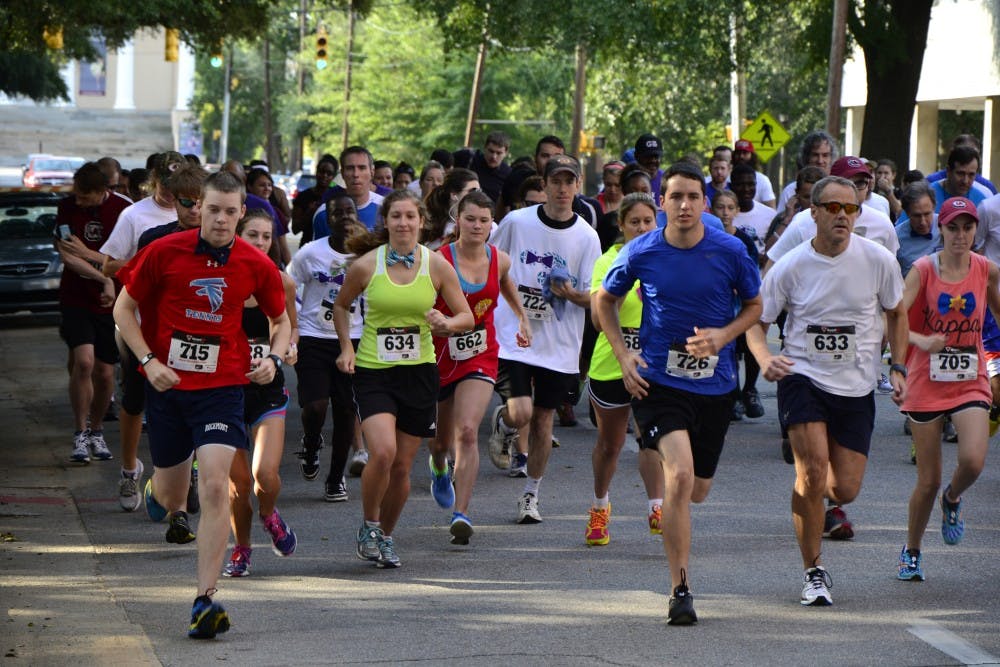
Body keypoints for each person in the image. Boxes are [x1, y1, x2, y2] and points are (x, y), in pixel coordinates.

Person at [113, 170, 291, 638]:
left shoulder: (255, 263)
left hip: (221, 389)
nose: (221, 219)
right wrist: (148, 361)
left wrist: (273, 357)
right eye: (213, 209)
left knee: (214, 486)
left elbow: (280, 319)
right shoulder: (163, 252)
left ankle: (204, 599)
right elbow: (123, 309)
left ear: (240, 213)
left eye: (231, 212)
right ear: (197, 208)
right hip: (168, 388)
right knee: (174, 496)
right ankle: (158, 490)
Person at [594, 161, 761, 625]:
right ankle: (680, 589)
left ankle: (674, 518)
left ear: (704, 203)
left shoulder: (729, 250)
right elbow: (603, 301)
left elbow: (755, 306)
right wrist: (624, 356)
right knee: (681, 476)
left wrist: (724, 336)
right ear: (662, 202)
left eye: (692, 196)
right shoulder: (642, 250)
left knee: (697, 490)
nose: (684, 205)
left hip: (716, 385)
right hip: (659, 383)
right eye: (675, 197)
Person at [745, 175, 907, 607]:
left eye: (850, 208)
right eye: (832, 208)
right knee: (813, 471)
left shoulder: (878, 260)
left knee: (846, 488)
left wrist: (900, 365)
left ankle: (810, 497)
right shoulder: (791, 266)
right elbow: (756, 326)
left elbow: (896, 312)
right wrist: (765, 360)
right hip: (803, 378)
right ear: (812, 213)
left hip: (855, 386)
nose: (842, 216)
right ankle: (814, 572)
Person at [333, 190, 474, 569]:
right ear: (386, 221)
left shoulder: (437, 265)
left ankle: (387, 537)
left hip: (419, 373)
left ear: (421, 221)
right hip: (374, 371)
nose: (403, 223)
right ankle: (369, 525)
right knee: (382, 452)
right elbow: (341, 305)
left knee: (401, 466)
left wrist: (447, 323)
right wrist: (346, 347)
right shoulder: (366, 266)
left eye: (410, 216)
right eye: (396, 216)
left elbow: (466, 317)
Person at [488, 155, 602, 522]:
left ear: (579, 185)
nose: (563, 188)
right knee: (520, 412)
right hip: (515, 334)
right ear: (546, 183)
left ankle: (530, 494)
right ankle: (505, 424)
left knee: (542, 420)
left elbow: (595, 296)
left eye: (570, 181)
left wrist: (569, 293)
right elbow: (491, 261)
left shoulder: (587, 236)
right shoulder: (517, 222)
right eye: (556, 181)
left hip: (560, 343)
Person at [897, 197, 1000, 581]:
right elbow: (895, 319)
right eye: (953, 227)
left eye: (967, 228)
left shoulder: (986, 270)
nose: (960, 235)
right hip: (926, 378)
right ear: (940, 229)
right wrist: (921, 343)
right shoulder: (923, 270)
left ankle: (953, 499)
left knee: (973, 460)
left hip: (970, 376)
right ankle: (911, 551)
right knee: (928, 480)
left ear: (976, 231)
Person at [427, 191, 532, 544]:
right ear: (458, 219)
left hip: (480, 353)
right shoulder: (438, 260)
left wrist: (522, 318)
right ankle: (440, 468)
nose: (477, 226)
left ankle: (462, 513)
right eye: (470, 219)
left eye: (484, 221)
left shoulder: (499, 259)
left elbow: (506, 284)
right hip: (439, 356)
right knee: (440, 442)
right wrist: (434, 321)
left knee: (468, 430)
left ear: (492, 224)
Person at [223, 209, 301, 578]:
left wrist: (286, 350)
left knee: (264, 475)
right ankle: (241, 548)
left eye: (266, 237)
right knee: (238, 486)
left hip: (267, 389)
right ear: (238, 235)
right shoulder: (220, 279)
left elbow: (290, 328)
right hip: (224, 392)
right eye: (252, 235)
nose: (259, 242)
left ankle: (269, 513)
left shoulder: (280, 281)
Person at [584, 192, 665, 546]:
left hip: (654, 364)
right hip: (611, 363)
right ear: (621, 226)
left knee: (652, 438)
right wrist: (626, 285)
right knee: (610, 445)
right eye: (635, 222)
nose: (642, 228)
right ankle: (600, 506)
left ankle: (657, 508)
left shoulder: (667, 259)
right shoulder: (608, 262)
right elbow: (597, 319)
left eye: (648, 221)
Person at [288, 194, 368, 502]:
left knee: (347, 409)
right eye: (338, 213)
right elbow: (288, 285)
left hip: (354, 338)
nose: (345, 217)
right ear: (328, 219)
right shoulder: (311, 253)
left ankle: (336, 479)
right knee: (316, 406)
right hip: (313, 337)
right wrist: (294, 325)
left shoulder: (368, 254)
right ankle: (311, 442)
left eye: (350, 211)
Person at [55, 162, 131, 464]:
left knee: (105, 371)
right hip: (76, 297)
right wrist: (104, 279)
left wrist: (112, 282)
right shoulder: (66, 207)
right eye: (76, 195)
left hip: (111, 304)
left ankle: (97, 429)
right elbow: (67, 254)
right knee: (83, 362)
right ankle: (80, 432)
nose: (79, 201)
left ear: (102, 192)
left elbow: (128, 258)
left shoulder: (123, 210)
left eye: (85, 197)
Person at [712, 190, 763, 420]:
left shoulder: (743, 239)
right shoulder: (707, 236)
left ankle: (750, 389)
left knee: (750, 346)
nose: (725, 213)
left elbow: (752, 269)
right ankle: (733, 397)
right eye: (720, 207)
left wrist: (739, 284)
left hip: (742, 303)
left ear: (737, 211)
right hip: (720, 306)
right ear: (712, 210)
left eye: (729, 208)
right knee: (728, 350)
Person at [314, 146, 384, 234]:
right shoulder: (323, 213)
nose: (355, 174)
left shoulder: (387, 208)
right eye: (350, 168)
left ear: (372, 172)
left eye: (362, 168)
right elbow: (318, 247)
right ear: (342, 173)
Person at [776, 131, 839, 212]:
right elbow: (780, 221)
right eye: (815, 155)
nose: (820, 161)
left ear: (832, 158)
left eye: (825, 155)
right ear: (806, 157)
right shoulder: (790, 191)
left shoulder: (838, 188)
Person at [421, 168, 482, 250]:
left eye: (479, 191)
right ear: (453, 195)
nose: (477, 196)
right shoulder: (432, 225)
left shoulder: (489, 225)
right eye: (473, 191)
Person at [894, 181, 939, 278]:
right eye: (917, 216)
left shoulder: (947, 227)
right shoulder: (896, 237)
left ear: (934, 207)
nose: (923, 222)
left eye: (927, 214)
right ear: (907, 212)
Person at [292, 155, 337, 244]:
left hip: (331, 247)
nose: (325, 175)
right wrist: (309, 213)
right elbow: (295, 229)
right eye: (322, 171)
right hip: (308, 246)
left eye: (329, 173)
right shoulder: (303, 196)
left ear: (333, 176)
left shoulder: (337, 198)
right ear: (316, 172)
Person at [732, 139, 776, 208]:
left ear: (752, 155)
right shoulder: (726, 178)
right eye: (738, 153)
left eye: (745, 153)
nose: (741, 156)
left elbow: (771, 208)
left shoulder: (762, 180)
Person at [470, 131, 511, 203]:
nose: (494, 157)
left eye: (499, 153)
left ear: (506, 153)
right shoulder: (471, 162)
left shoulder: (509, 174)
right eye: (491, 151)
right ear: (485, 148)